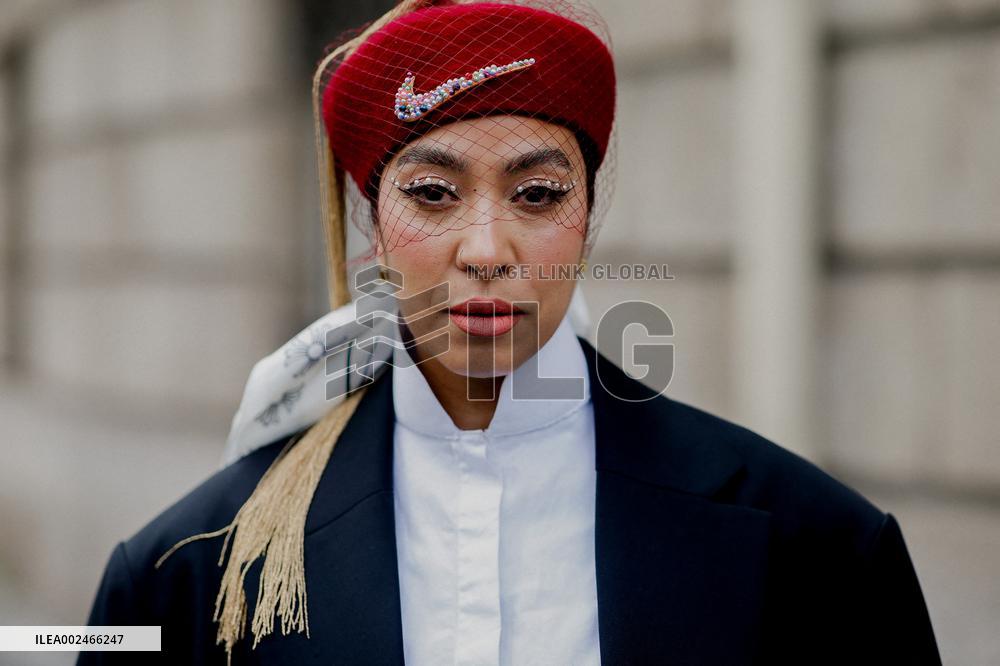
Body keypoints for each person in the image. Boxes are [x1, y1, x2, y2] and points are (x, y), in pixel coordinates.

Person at [79, 1, 942, 664]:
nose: (487, 250)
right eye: (430, 193)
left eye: (536, 194)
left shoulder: (816, 550)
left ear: (590, 218)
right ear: (371, 227)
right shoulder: (188, 573)